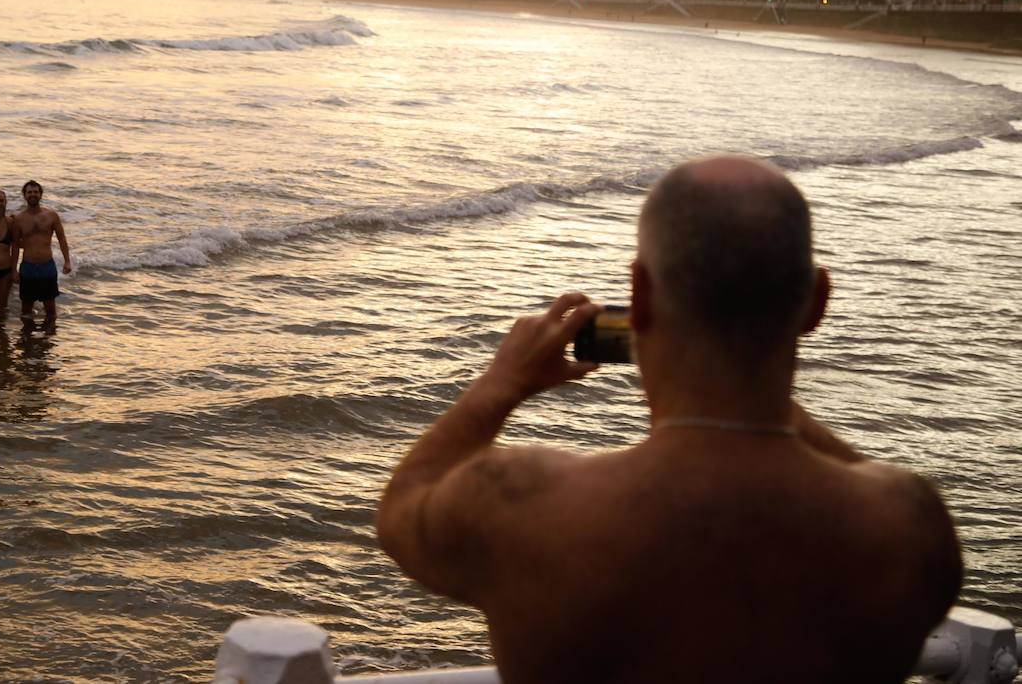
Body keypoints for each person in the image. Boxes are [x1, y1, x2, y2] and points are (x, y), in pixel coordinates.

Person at [377, 156, 961, 684]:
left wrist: (499, 386)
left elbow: (402, 508)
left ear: (641, 295)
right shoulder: (908, 529)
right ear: (816, 301)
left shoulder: (520, 502)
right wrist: (746, 384)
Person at [10, 179, 72, 322]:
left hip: (47, 266)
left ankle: (48, 339)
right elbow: (14, 246)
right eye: (29, 192)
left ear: (41, 194)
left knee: (50, 308)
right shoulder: (19, 219)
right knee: (26, 309)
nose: (33, 195)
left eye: (36, 192)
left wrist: (67, 261)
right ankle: (27, 339)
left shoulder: (51, 215)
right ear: (24, 195)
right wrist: (14, 270)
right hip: (28, 267)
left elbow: (62, 238)